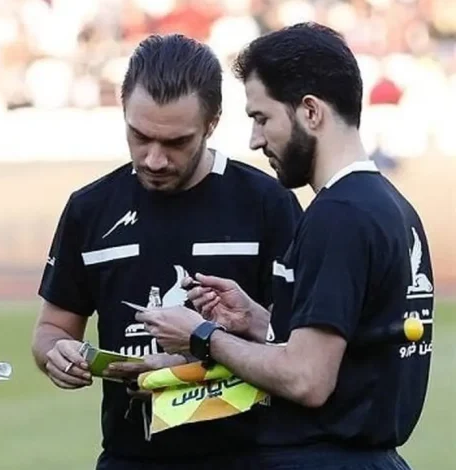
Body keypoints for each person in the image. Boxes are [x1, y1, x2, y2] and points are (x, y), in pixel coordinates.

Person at [136, 23, 434, 469]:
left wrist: (202, 336)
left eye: (262, 118)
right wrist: (259, 322)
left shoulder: (338, 216)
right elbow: (352, 349)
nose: (255, 140)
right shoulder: (389, 206)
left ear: (310, 111)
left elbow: (307, 379)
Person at [31, 33, 303, 469]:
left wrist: (190, 359)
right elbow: (51, 329)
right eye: (139, 136)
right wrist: (57, 355)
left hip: (248, 457)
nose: (154, 159)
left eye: (176, 142)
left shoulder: (268, 204)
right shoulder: (90, 209)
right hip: (129, 458)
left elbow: (296, 347)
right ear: (122, 108)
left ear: (212, 123)